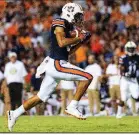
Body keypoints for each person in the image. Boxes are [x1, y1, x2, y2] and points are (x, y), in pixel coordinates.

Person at [7, 3, 93, 132]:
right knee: (87, 77)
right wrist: (78, 37)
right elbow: (62, 42)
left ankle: (14, 114)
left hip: (58, 63)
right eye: (77, 15)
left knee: (40, 97)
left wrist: (81, 41)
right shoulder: (60, 22)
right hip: (57, 64)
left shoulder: (68, 26)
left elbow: (68, 52)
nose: (79, 19)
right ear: (69, 13)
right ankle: (72, 106)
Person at [116, 41, 139, 118]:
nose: (131, 50)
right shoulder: (123, 58)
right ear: (126, 49)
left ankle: (136, 111)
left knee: (136, 95)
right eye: (130, 49)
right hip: (125, 79)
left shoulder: (138, 57)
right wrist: (125, 74)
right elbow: (121, 69)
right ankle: (119, 113)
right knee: (123, 98)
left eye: (132, 49)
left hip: (134, 80)